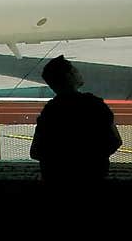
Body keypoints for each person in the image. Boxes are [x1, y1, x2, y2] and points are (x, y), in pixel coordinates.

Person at [30, 55, 122, 183]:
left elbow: (35, 152)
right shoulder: (95, 105)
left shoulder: (50, 111)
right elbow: (115, 141)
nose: (78, 72)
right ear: (70, 76)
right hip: (92, 176)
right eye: (74, 70)